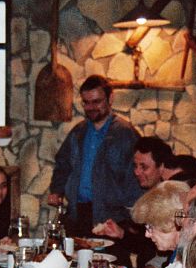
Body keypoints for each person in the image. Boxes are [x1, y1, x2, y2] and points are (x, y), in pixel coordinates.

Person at [47, 75, 141, 236]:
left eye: (96, 102)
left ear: (110, 99)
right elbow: (63, 163)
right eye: (86, 102)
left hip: (112, 219)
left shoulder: (125, 134)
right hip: (78, 214)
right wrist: (57, 190)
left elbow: (136, 177)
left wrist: (131, 219)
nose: (91, 107)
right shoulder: (78, 132)